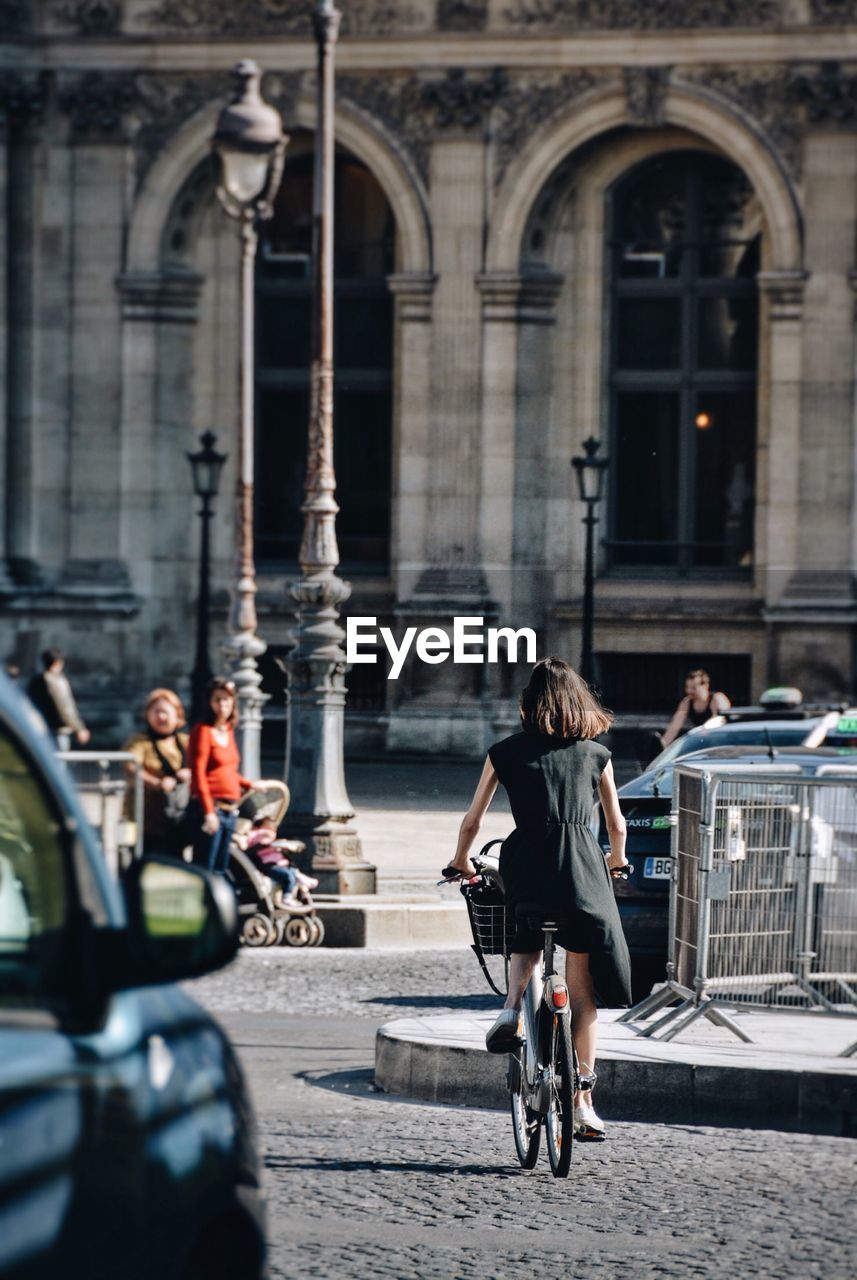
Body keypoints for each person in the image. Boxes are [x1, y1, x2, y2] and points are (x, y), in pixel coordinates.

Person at [447, 656, 631, 1139]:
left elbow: (472, 820)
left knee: (526, 930)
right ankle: (585, 1102)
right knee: (583, 989)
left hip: (525, 861)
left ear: (527, 705)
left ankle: (510, 1009)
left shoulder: (504, 752)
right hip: (582, 870)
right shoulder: (596, 754)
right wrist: (616, 861)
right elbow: (616, 824)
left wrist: (461, 861)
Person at [187, 677, 253, 874]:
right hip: (211, 809)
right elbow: (198, 773)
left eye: (227, 699)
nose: (222, 705)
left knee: (221, 868)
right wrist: (208, 812)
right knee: (205, 867)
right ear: (210, 702)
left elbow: (227, 771)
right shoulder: (203, 731)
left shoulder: (228, 730)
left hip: (230, 810)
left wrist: (248, 784)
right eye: (218, 699)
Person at [123, 688, 191, 857]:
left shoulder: (185, 741)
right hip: (148, 818)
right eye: (156, 712)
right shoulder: (140, 741)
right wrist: (157, 783)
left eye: (165, 712)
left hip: (177, 816)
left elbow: (203, 765)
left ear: (177, 715)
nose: (161, 717)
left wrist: (190, 772)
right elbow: (130, 765)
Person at [238, 816, 317, 905]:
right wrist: (275, 844)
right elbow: (261, 842)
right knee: (288, 875)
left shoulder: (265, 837)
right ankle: (287, 896)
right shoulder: (260, 835)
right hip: (268, 864)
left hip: (276, 862)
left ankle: (299, 878)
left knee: (291, 869)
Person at [26, 647, 90, 748]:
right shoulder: (56, 681)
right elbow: (64, 706)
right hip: (57, 731)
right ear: (57, 662)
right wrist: (79, 728)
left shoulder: (34, 682)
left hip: (38, 731)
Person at [661, 668, 731, 747]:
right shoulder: (686, 703)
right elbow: (674, 727)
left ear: (705, 686)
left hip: (723, 741)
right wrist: (662, 745)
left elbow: (721, 722)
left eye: (693, 688)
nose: (689, 691)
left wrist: (704, 731)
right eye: (687, 687)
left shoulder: (717, 698)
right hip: (703, 741)